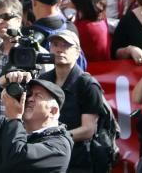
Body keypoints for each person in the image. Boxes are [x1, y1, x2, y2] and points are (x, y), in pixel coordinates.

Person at [0, 71, 73, 173]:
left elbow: (16, 158)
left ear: (53, 111)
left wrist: (15, 117)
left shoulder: (59, 147)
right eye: (29, 94)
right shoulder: (7, 128)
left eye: (38, 95)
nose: (29, 99)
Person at [39, 30, 108, 173]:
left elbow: (88, 130)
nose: (59, 49)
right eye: (55, 44)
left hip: (77, 159)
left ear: (77, 52)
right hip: (46, 157)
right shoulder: (43, 80)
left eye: (65, 45)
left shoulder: (88, 84)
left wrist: (56, 138)